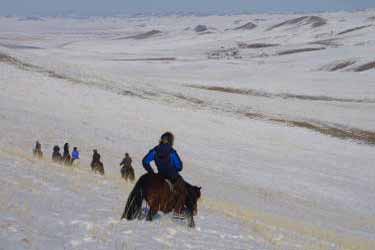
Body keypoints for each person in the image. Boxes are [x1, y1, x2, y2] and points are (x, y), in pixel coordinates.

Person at [142, 132, 186, 213]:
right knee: (182, 189)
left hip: (160, 176)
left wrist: (151, 173)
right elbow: (179, 167)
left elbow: (145, 161)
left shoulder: (155, 150)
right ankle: (178, 212)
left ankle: (145, 207)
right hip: (172, 176)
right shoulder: (172, 152)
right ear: (171, 141)